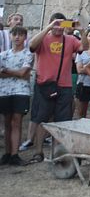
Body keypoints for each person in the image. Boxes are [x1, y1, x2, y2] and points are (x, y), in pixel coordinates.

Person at [26, 13, 83, 164]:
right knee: (41, 119)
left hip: (64, 86)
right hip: (44, 85)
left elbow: (84, 47)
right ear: (50, 23)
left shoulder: (70, 40)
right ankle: (38, 152)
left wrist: (81, 29)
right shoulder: (43, 38)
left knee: (61, 122)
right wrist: (49, 27)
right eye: (56, 24)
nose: (59, 27)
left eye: (61, 24)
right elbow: (31, 46)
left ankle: (57, 153)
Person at [0, 26, 33, 166]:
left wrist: (6, 70)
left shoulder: (28, 54)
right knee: (7, 122)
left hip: (21, 91)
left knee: (17, 121)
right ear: (11, 36)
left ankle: (15, 154)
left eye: (20, 35)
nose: (17, 37)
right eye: (14, 34)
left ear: (25, 37)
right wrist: (17, 72)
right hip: (4, 91)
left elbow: (23, 73)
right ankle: (7, 153)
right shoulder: (3, 55)